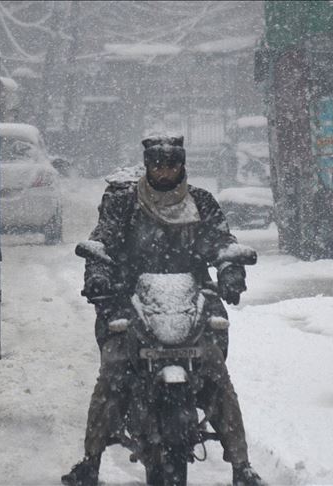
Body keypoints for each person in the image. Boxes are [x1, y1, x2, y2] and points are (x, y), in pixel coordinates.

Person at [61, 134, 264, 486]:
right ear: (147, 166)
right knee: (113, 372)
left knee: (216, 373)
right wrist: (98, 275)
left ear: (182, 165)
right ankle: (90, 461)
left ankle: (241, 466)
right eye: (157, 164)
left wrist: (231, 273)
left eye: (171, 164)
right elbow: (103, 241)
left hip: (194, 300)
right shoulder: (124, 204)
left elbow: (222, 243)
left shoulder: (201, 202)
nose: (164, 170)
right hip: (129, 298)